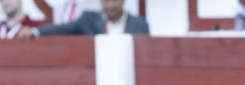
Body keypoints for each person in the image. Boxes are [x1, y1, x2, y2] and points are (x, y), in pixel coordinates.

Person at [19, 0, 149, 37]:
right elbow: (63, 28)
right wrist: (36, 31)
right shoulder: (88, 20)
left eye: (114, 1)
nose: (110, 5)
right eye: (105, 1)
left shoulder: (140, 25)